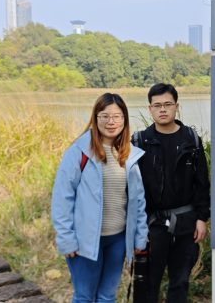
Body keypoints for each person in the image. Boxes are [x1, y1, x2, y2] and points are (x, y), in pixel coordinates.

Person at [51, 93, 148, 303]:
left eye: (117, 116)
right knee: (85, 296)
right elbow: (62, 198)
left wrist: (140, 236)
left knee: (107, 296)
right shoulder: (80, 151)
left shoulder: (129, 154)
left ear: (125, 120)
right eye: (104, 116)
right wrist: (66, 238)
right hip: (85, 241)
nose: (111, 122)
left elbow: (138, 201)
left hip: (118, 240)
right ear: (95, 118)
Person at [133, 83, 210, 302]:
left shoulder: (191, 139)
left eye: (168, 104)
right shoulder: (139, 142)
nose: (163, 109)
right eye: (157, 105)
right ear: (150, 109)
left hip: (186, 222)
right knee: (147, 283)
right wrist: (137, 226)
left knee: (180, 282)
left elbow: (202, 182)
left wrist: (202, 218)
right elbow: (132, 191)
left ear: (177, 106)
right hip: (151, 225)